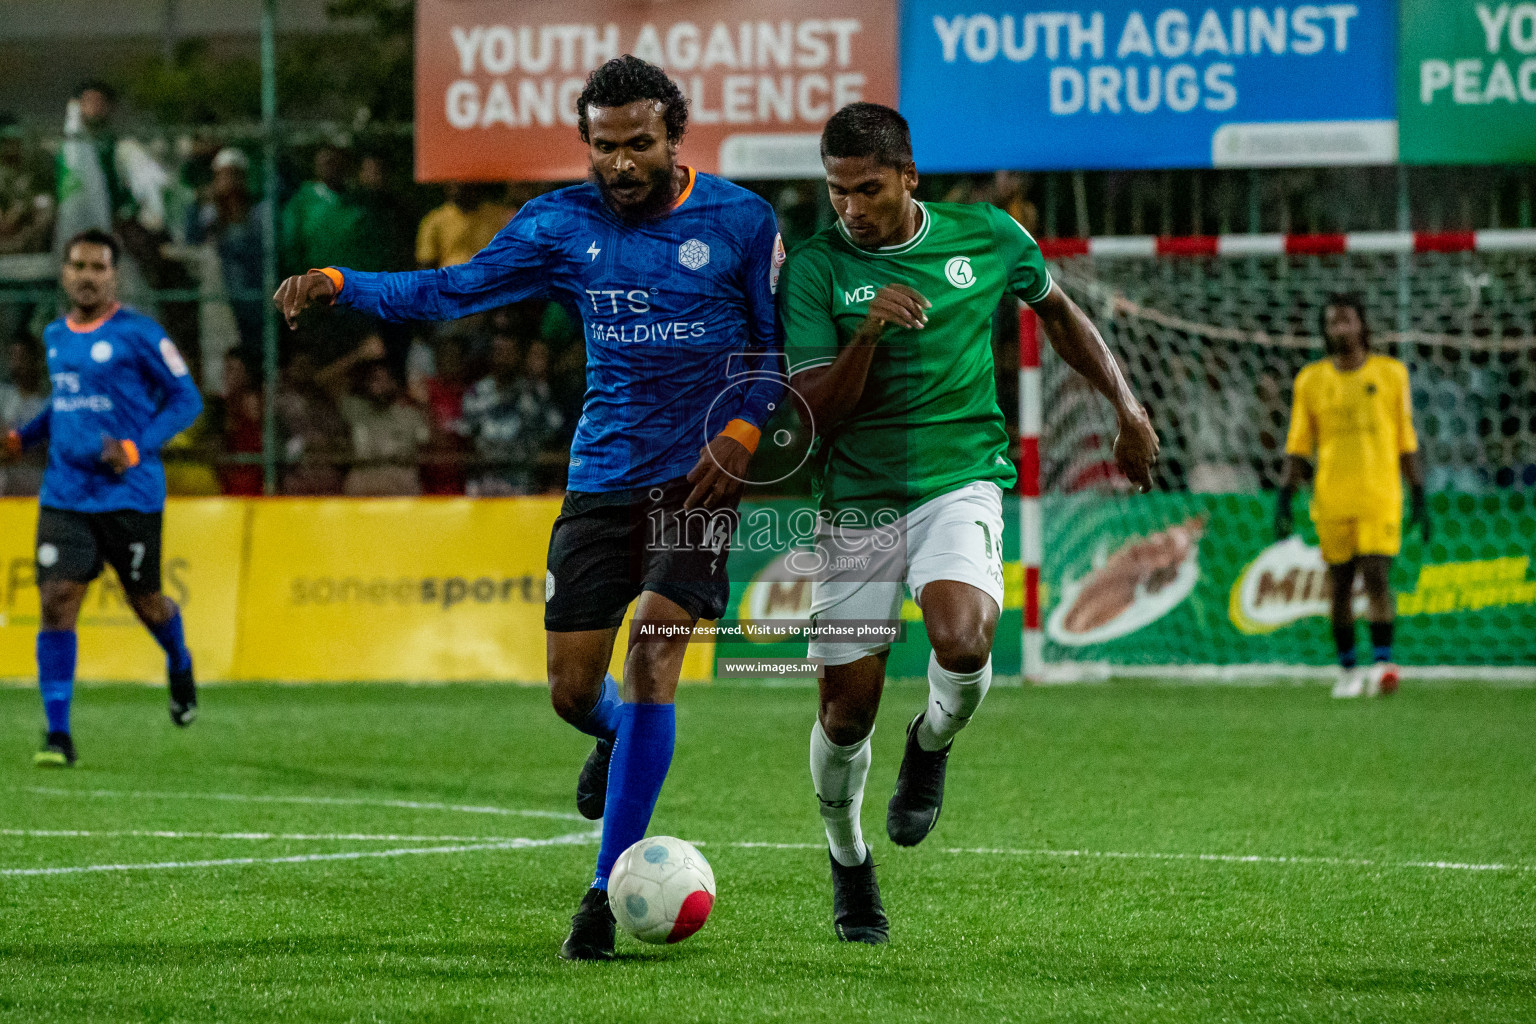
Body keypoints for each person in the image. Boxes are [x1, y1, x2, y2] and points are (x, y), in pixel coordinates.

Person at [274, 54, 783, 961]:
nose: (621, 163)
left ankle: (602, 889)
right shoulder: (558, 223)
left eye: (639, 144)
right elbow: (450, 290)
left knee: (656, 659)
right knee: (572, 692)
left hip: (697, 483)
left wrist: (744, 431)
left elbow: (773, 352)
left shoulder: (741, 221)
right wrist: (346, 284)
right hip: (602, 479)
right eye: (603, 147)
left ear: (675, 138)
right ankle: (616, 737)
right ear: (585, 145)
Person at [777, 103, 1159, 943]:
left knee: (963, 639)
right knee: (845, 714)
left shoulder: (987, 235)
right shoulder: (813, 271)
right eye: (837, 191)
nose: (850, 207)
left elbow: (1058, 311)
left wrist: (1125, 408)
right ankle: (849, 862)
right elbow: (812, 413)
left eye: (868, 189)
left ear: (909, 176)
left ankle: (932, 741)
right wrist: (869, 330)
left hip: (961, 481)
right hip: (857, 501)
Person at [1, 229, 204, 767]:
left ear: (114, 276)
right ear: (65, 273)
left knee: (147, 604)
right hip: (66, 493)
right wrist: (25, 437)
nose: (87, 276)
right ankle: (58, 734)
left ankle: (179, 663)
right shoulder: (54, 335)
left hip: (129, 496)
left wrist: (136, 450)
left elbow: (187, 399)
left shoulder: (140, 333)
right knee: (57, 602)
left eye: (98, 268)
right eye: (78, 266)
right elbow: (65, 405)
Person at [1276, 293, 1428, 699]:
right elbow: (1297, 444)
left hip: (1380, 495)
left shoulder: (1392, 373)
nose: (1339, 329)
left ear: (1362, 325)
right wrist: (1284, 497)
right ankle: (1347, 670)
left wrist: (1419, 492)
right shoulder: (1310, 380)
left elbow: (1405, 438)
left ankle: (1382, 664)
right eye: (1332, 322)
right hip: (1331, 497)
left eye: (1346, 320)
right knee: (1339, 586)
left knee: (1377, 576)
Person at [316, 334, 429, 496]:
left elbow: (436, 447)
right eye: (373, 378)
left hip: (400, 477)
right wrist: (359, 355)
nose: (378, 383)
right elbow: (322, 382)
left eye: (384, 378)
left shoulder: (409, 413)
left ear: (395, 381)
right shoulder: (355, 407)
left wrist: (424, 404)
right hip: (363, 475)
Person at [416, 182, 515, 270]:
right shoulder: (435, 220)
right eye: (454, 183)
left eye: (464, 183)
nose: (458, 188)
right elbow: (426, 263)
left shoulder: (499, 216)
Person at [1, 335, 49, 496]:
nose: (17, 364)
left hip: (35, 484)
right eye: (12, 357)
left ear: (37, 360)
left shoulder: (47, 404)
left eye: (22, 357)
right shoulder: (3, 397)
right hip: (5, 482)